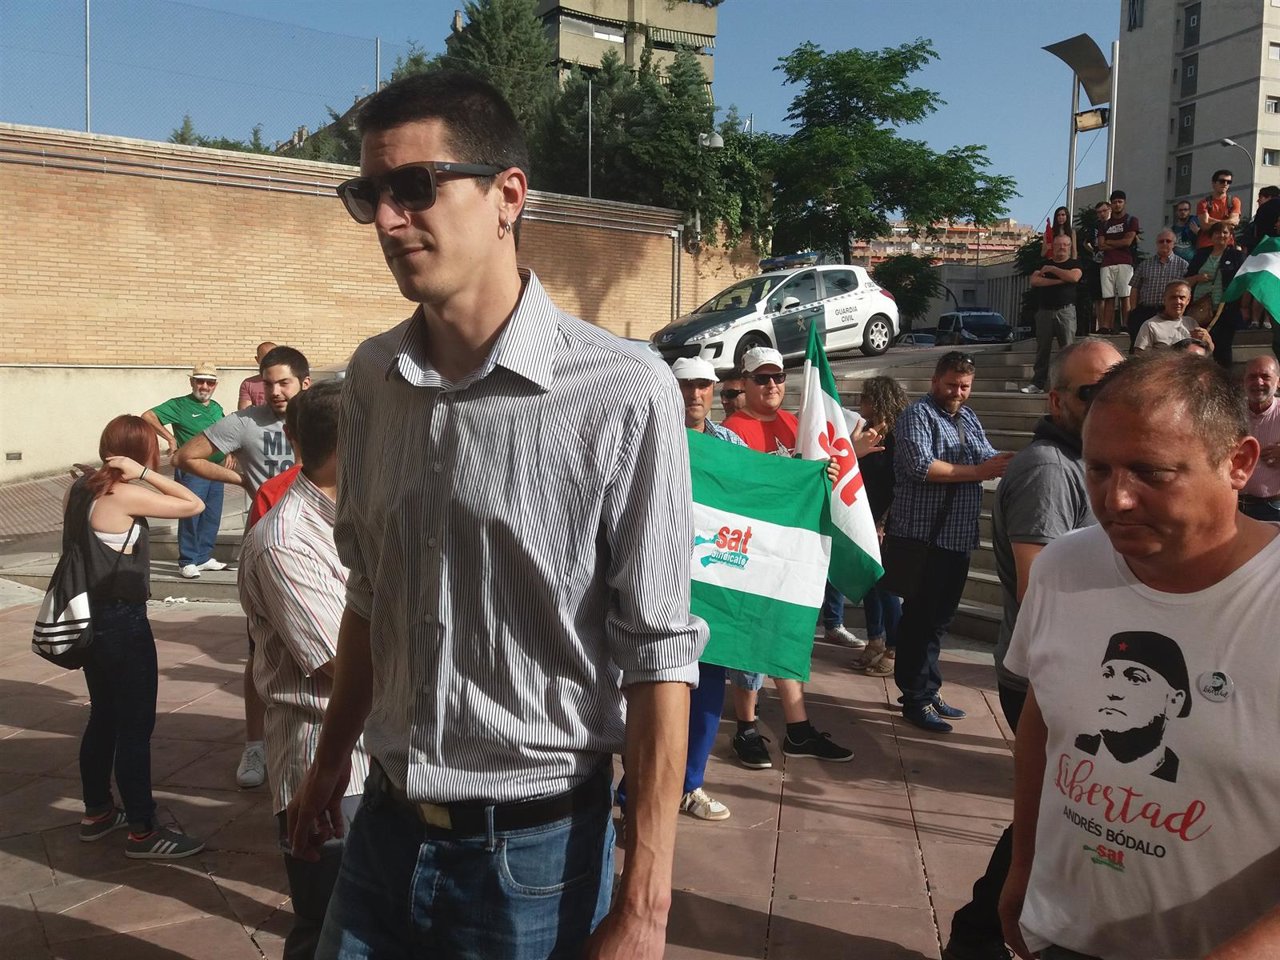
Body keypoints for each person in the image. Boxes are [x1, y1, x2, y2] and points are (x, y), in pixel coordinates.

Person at [288, 71, 706, 959]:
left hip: (532, 858)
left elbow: (660, 653)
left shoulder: (624, 393)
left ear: (508, 195)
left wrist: (645, 905)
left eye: (415, 187)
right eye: (371, 195)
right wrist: (331, 762)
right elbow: (370, 594)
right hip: (383, 825)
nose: (391, 220)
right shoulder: (369, 381)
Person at [999, 352, 1280, 959]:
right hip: (1061, 935)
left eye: (1151, 473)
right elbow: (1041, 721)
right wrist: (1023, 868)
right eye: (1098, 469)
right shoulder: (1062, 569)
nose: (1116, 500)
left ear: (1238, 463)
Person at [942, 337, 1122, 960]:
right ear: (1056, 399)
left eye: (1116, 387)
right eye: (1092, 391)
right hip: (1050, 673)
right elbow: (1038, 584)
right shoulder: (1051, 467)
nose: (1106, 402)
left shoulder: (1089, 462)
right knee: (1054, 812)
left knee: (1057, 811)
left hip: (1080, 671)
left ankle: (981, 933)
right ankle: (979, 934)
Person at [239, 381, 370, 959]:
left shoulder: (360, 520)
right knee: (331, 933)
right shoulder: (287, 542)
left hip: (375, 758)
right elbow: (346, 668)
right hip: (332, 767)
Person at [175, 344, 311, 791]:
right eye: (268, 382)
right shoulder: (245, 422)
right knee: (261, 651)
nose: (274, 391)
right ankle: (255, 745)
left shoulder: (323, 418)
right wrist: (246, 479)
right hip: (265, 546)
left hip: (320, 546)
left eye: (283, 382)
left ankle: (321, 740)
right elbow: (187, 456)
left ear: (303, 383)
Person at [71, 415, 207, 860]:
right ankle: (143, 829)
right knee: (133, 726)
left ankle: (96, 812)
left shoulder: (81, 489)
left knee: (104, 717)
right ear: (136, 452)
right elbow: (193, 505)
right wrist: (145, 474)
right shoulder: (125, 493)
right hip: (122, 622)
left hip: (90, 618)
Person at [721, 345, 856, 766]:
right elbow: (741, 491)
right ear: (743, 383)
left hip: (790, 552)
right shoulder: (733, 429)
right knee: (749, 639)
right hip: (753, 550)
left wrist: (827, 473)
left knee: (788, 634)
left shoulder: (795, 423)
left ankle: (797, 730)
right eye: (762, 378)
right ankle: (746, 728)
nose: (773, 385)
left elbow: (812, 475)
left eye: (778, 376)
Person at [888, 352, 1013, 733]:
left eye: (964, 386)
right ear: (934, 380)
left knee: (938, 622)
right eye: (951, 384)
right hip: (922, 539)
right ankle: (914, 698)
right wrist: (979, 472)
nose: (957, 392)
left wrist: (1016, 462)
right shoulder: (917, 416)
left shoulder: (967, 417)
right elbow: (920, 466)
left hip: (957, 539)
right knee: (919, 621)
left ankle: (929, 689)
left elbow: (987, 455)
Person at [141, 363, 228, 579]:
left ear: (215, 385)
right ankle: (187, 560)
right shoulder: (179, 405)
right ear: (192, 382)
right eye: (200, 381)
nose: (205, 386)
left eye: (210, 382)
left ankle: (204, 557)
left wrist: (231, 453)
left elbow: (226, 433)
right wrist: (170, 438)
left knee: (211, 513)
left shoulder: (216, 407)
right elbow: (148, 416)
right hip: (192, 469)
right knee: (191, 513)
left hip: (216, 469)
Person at [848, 375, 910, 678]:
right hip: (863, 516)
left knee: (886, 587)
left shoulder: (897, 436)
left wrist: (883, 521)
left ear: (878, 400)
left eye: (865, 398)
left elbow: (898, 483)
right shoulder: (867, 433)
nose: (861, 404)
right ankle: (874, 639)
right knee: (868, 583)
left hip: (884, 519)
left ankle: (896, 647)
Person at [1021, 234, 1081, 394]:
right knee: (1042, 349)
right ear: (1053, 247)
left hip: (1066, 311)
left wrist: (1054, 270)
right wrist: (1061, 280)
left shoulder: (1074, 263)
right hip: (1044, 311)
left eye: (1065, 245)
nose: (1062, 247)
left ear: (1069, 247)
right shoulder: (1043, 264)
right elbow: (1035, 281)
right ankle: (1038, 383)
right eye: (1059, 244)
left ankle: (1068, 384)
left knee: (1068, 349)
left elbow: (1074, 277)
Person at [1187, 221, 1246, 366]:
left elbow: (1243, 282)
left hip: (1224, 310)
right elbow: (1186, 279)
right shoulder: (1201, 254)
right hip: (1200, 310)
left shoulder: (1236, 256)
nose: (1221, 235)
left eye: (1225, 232)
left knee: (1223, 349)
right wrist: (1197, 278)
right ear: (1211, 236)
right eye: (1218, 232)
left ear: (1230, 236)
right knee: (1200, 348)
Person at [1125, 229, 1188, 350]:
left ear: (1173, 244)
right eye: (1161, 241)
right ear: (1156, 244)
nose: (1164, 244)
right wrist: (1133, 309)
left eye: (1168, 241)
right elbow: (1135, 287)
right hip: (1145, 310)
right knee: (1137, 345)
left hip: (1169, 311)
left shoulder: (1183, 265)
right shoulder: (1145, 265)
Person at [1239, 355, 1280, 521]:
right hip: (1235, 507)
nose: (1258, 382)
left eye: (1265, 376)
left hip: (1273, 509)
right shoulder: (1230, 412)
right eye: (1252, 377)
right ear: (1244, 381)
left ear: (1278, 382)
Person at [1096, 190, 1139, 336]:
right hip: (1107, 263)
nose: (1117, 205)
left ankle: (1126, 325)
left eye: (1120, 202)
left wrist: (1110, 242)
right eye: (1114, 202)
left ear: (1124, 203)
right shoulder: (1104, 224)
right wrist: (1118, 243)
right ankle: (1106, 326)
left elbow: (1128, 241)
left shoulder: (1131, 220)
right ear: (1111, 205)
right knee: (1108, 296)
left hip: (1125, 262)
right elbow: (1100, 244)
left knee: (1124, 295)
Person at [1133, 280, 1214, 352]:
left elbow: (1206, 353)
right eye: (1173, 297)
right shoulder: (1151, 325)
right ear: (1164, 299)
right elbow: (1139, 357)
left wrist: (1208, 341)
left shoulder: (1191, 322)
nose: (1177, 301)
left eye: (1182, 298)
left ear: (1188, 300)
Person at [1080, 200, 1110, 336]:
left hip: (1112, 261)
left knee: (1111, 294)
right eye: (1099, 212)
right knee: (1098, 296)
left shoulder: (1115, 224)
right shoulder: (1095, 227)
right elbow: (1086, 242)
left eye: (1104, 211)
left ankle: (1109, 325)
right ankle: (1101, 325)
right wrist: (1093, 251)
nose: (1102, 214)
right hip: (1098, 262)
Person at [1195, 168, 1241, 248]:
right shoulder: (1204, 203)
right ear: (1213, 183)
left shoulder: (1234, 201)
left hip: (1227, 244)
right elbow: (1204, 226)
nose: (1225, 184)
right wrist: (1227, 222)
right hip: (1207, 246)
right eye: (1222, 181)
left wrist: (1212, 220)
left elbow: (1233, 224)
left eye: (1229, 182)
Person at [239, 341, 277, 410]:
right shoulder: (248, 384)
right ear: (257, 359)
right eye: (266, 358)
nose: (270, 361)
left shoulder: (289, 381)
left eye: (273, 357)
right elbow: (244, 414)